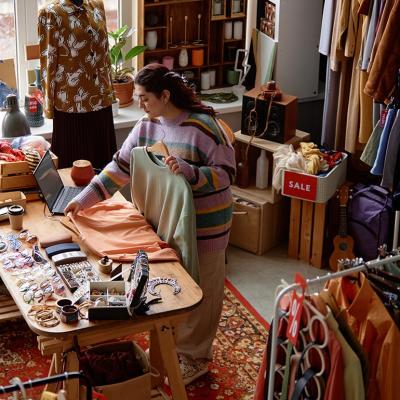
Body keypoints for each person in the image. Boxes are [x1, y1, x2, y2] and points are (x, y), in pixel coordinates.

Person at [65, 63, 236, 385]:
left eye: (144, 98)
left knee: (204, 291)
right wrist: (83, 199)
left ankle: (195, 357)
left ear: (165, 95)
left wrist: (191, 173)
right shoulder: (147, 125)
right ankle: (175, 344)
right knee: (173, 283)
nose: (139, 104)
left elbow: (227, 175)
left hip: (207, 225)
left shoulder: (204, 127)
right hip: (166, 221)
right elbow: (120, 166)